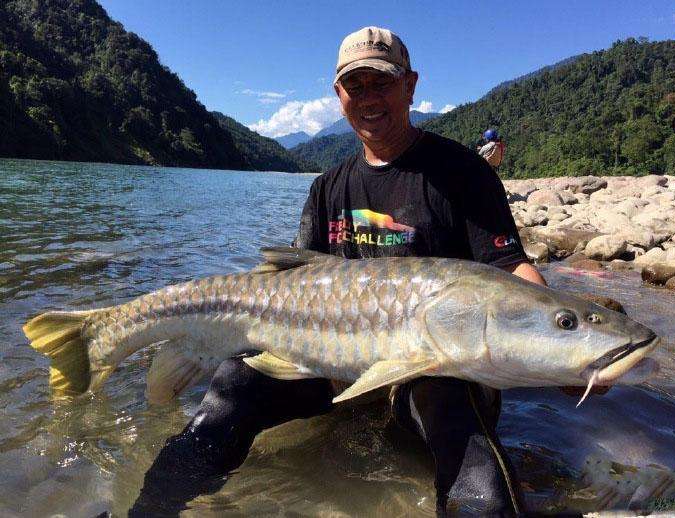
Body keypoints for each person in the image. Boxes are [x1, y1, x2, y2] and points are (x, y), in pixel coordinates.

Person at [130, 26, 567, 518]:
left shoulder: (463, 172)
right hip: (334, 367)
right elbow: (294, 284)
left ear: (410, 85)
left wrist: (561, 342)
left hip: (431, 366)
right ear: (338, 94)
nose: (369, 98)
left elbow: (510, 267)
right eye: (355, 86)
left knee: (465, 441)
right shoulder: (328, 187)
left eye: (381, 83)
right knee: (234, 383)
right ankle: (149, 509)